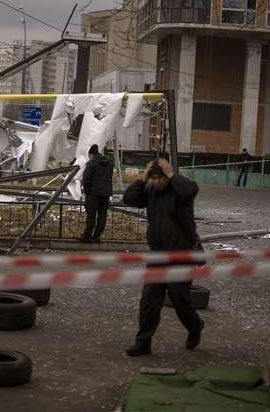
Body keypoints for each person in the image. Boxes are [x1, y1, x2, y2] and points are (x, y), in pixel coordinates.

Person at [122, 157, 204, 356]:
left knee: (179, 299)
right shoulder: (150, 190)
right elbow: (129, 199)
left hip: (181, 254)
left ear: (167, 176)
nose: (157, 182)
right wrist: (143, 179)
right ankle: (143, 342)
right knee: (149, 299)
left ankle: (195, 327)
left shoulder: (181, 190)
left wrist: (172, 175)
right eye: (154, 178)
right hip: (158, 254)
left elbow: (191, 190)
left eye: (161, 178)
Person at [78, 144, 113, 243]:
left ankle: (87, 236)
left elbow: (86, 179)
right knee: (102, 216)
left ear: (91, 154)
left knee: (91, 215)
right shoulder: (109, 163)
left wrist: (87, 191)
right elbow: (109, 178)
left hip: (93, 194)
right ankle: (96, 236)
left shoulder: (91, 163)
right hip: (105, 194)